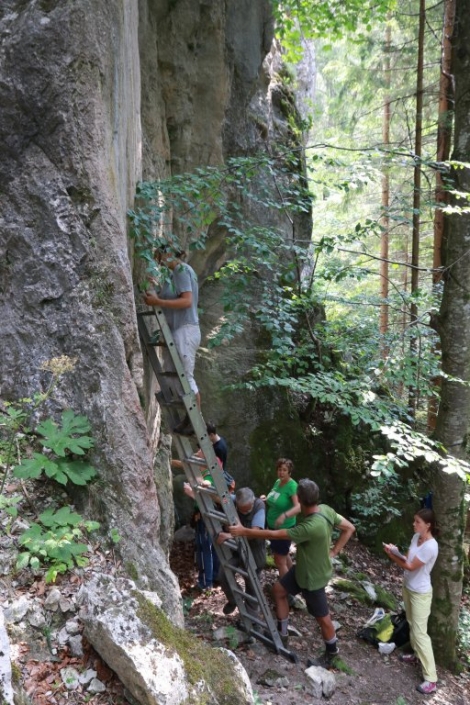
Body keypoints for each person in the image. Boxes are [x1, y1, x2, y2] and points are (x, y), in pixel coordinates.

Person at [229, 478, 355, 666]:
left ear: (301, 502)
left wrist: (243, 531)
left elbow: (273, 534)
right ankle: (282, 634)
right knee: (279, 591)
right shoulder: (326, 510)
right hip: (302, 569)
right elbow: (349, 527)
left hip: (312, 578)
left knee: (323, 618)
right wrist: (334, 552)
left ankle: (332, 653)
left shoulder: (309, 527)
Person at [144, 246, 200, 434]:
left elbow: (186, 301)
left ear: (168, 254)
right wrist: (157, 291)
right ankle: (189, 417)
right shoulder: (172, 276)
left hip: (185, 329)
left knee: (185, 376)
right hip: (176, 330)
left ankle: (195, 419)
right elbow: (170, 297)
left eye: (159, 257)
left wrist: (158, 302)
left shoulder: (182, 270)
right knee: (174, 376)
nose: (158, 261)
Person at [383, 508, 439, 695]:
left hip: (421, 593)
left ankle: (431, 679)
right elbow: (407, 558)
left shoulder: (431, 546)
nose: (414, 524)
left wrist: (392, 556)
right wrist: (396, 551)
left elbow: (409, 566)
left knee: (420, 633)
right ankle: (417, 656)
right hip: (408, 587)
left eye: (418, 522)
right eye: (414, 521)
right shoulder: (416, 538)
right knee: (411, 624)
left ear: (428, 525)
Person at [216, 487, 266, 615]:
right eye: (242, 510)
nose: (245, 513)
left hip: (254, 553)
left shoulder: (259, 506)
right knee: (223, 573)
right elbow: (218, 497)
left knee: (252, 585)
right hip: (237, 550)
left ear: (253, 501)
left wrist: (231, 535)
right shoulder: (233, 500)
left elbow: (255, 532)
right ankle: (234, 600)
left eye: (248, 509)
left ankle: (251, 619)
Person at [182, 450, 223, 590]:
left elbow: (208, 498)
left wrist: (191, 493)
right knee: (211, 548)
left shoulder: (209, 477)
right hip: (207, 515)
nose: (196, 453)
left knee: (204, 548)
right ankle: (215, 576)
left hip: (205, 517)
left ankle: (206, 582)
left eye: (199, 453)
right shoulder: (206, 474)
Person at [264, 458, 300, 579]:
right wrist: (266, 498)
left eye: (285, 470)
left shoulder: (292, 486)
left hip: (284, 528)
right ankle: (294, 579)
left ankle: (285, 592)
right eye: (279, 469)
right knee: (283, 555)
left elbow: (298, 507)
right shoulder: (277, 482)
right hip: (273, 526)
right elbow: (275, 499)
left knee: (279, 561)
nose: (281, 472)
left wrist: (284, 516)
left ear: (289, 472)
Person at [207, 422, 235, 491]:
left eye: (206, 436)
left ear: (211, 435)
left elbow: (219, 464)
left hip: (218, 474)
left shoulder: (219, 448)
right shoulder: (219, 440)